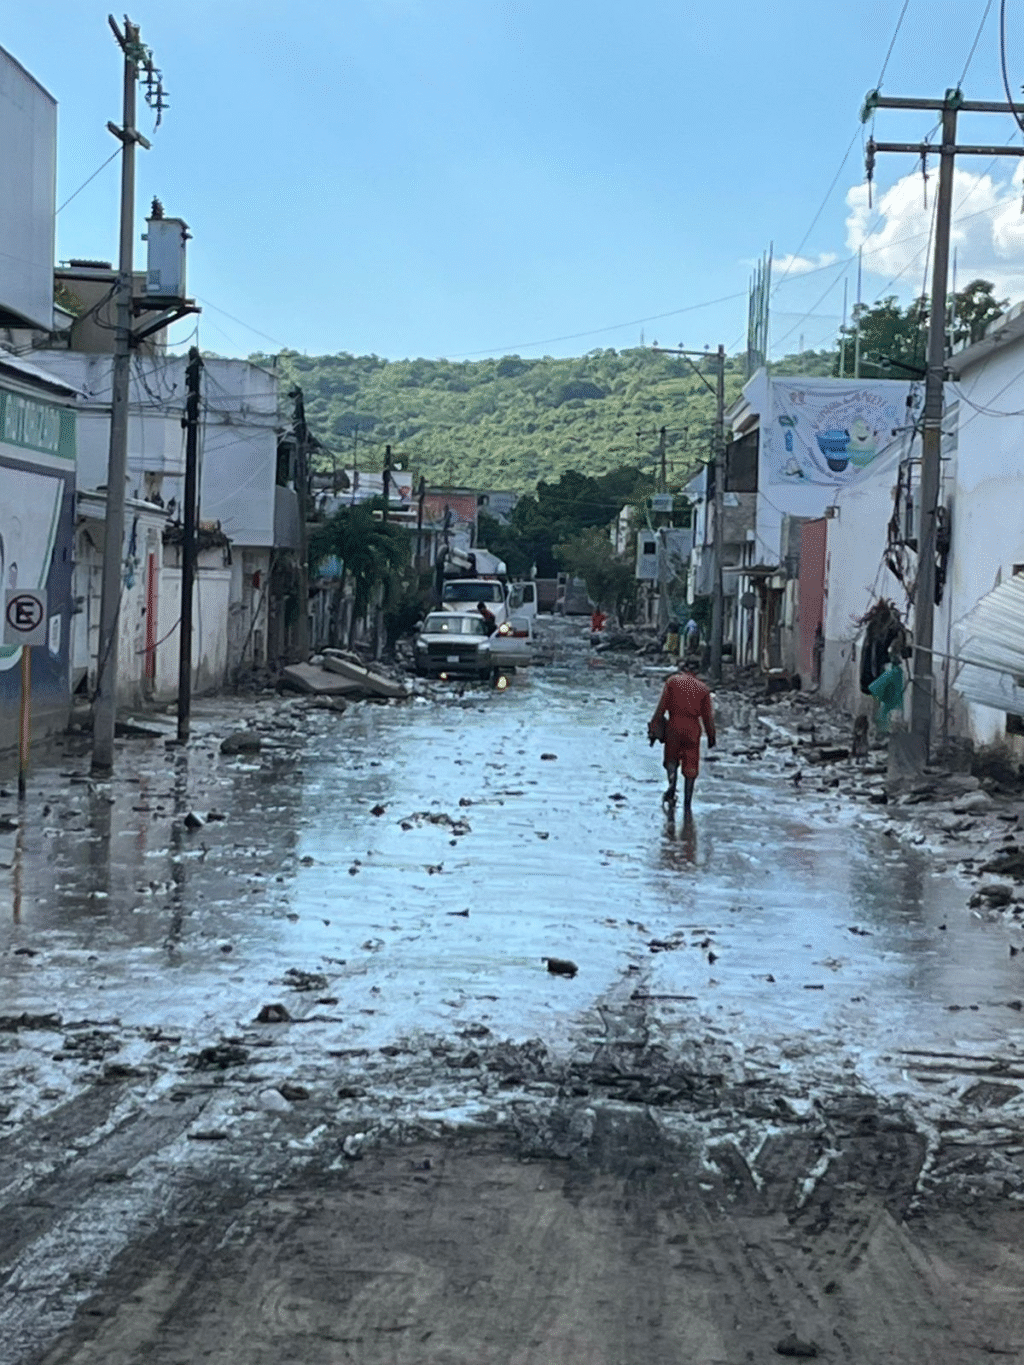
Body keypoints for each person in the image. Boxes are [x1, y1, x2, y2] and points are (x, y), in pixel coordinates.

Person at [648, 655, 716, 812]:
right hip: (692, 729)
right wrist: (711, 737)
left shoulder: (672, 682)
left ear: (683, 668)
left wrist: (653, 728)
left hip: (674, 726)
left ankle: (672, 782)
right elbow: (708, 717)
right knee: (691, 765)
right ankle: (687, 803)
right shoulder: (703, 689)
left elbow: (661, 708)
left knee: (671, 759)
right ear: (698, 671)